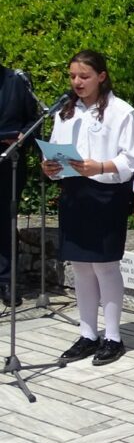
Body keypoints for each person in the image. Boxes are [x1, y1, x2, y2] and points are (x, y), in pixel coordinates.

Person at [42, 51, 134, 365]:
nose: (77, 82)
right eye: (72, 76)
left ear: (101, 76)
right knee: (80, 266)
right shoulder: (65, 112)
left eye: (84, 76)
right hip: (74, 192)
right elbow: (55, 149)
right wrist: (50, 166)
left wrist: (99, 166)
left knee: (105, 266)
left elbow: (132, 158)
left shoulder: (121, 111)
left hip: (106, 194)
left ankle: (113, 336)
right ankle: (88, 334)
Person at [0, 64, 37, 307]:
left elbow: (34, 120)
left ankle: (6, 280)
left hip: (9, 161)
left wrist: (24, 135)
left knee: (5, 221)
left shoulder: (17, 81)